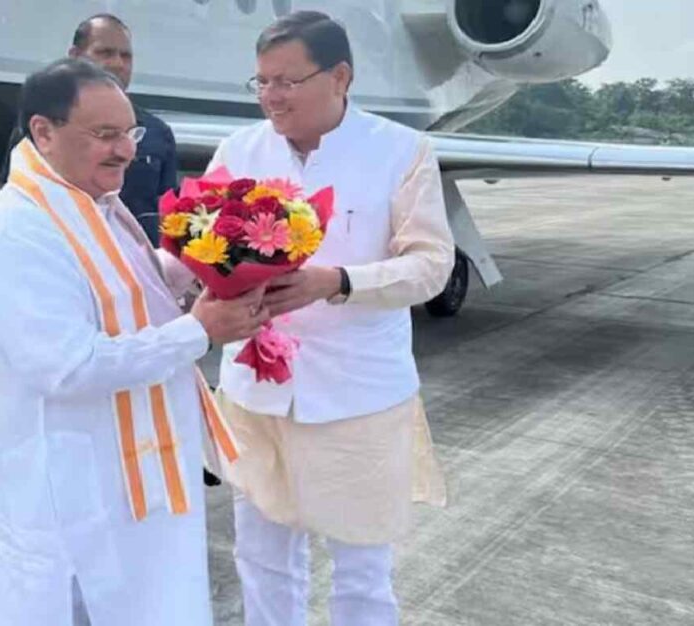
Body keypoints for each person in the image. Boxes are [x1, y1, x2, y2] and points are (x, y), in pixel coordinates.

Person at [0, 57, 267, 625]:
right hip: (62, 493)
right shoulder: (17, 233)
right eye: (105, 134)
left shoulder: (90, 202)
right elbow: (68, 367)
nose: (126, 150)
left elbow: (122, 287)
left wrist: (198, 264)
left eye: (130, 133)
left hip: (116, 480)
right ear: (44, 132)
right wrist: (199, 331)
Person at [206, 11, 455, 625]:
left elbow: (431, 265)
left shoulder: (401, 151)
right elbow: (202, 241)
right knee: (261, 558)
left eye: (287, 81)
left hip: (357, 395)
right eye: (262, 82)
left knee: (362, 571)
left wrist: (339, 282)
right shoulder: (239, 151)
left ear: (340, 77)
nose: (271, 96)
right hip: (256, 393)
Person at [0, 14, 177, 244]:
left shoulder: (157, 132)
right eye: (105, 53)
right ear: (75, 56)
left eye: (125, 56)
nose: (118, 64)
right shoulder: (48, 127)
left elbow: (170, 216)